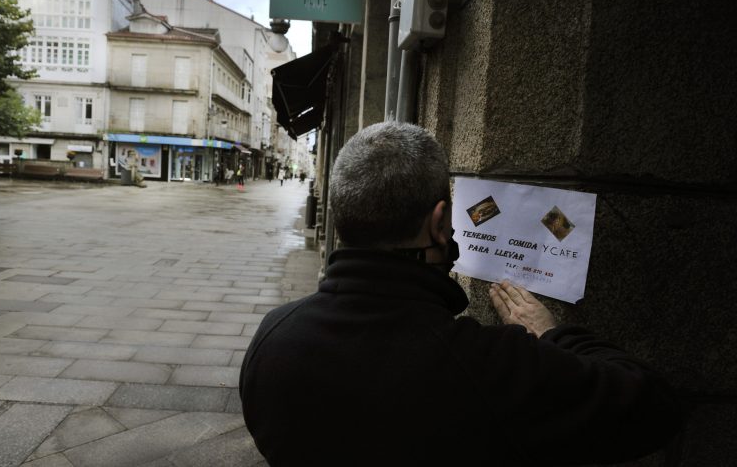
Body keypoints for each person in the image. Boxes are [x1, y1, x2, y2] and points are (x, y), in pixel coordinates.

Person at [239, 121, 682, 466]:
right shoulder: (488, 367)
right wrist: (553, 336)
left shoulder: (273, 339)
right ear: (438, 222)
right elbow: (653, 407)